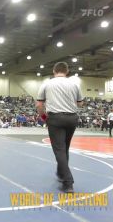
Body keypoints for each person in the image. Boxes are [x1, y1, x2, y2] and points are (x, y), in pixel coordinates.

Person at [36, 62, 83, 193]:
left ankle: (68, 182)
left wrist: (44, 118)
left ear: (54, 71)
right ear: (67, 71)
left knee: (59, 150)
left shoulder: (47, 84)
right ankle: (61, 173)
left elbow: (39, 105)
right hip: (72, 118)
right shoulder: (74, 84)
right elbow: (80, 104)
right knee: (65, 147)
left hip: (55, 119)